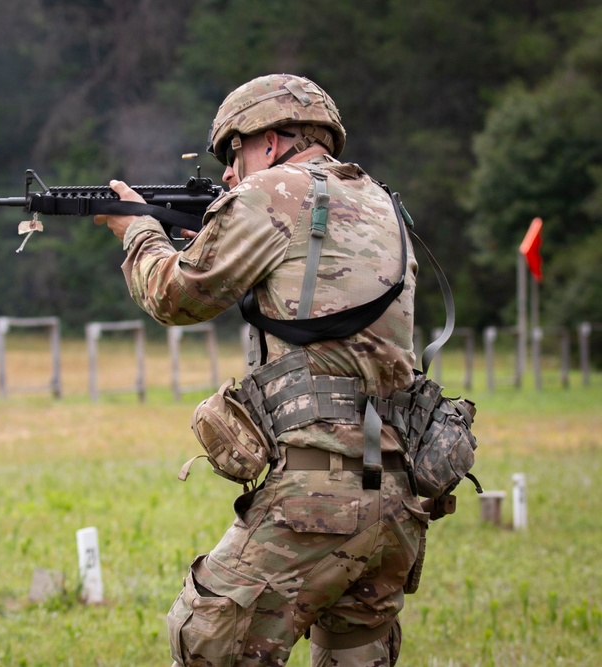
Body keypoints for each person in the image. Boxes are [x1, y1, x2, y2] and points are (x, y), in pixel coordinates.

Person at [95, 74, 429, 666]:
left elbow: (177, 296)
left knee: (206, 645)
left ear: (269, 142)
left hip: (317, 495)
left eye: (234, 153)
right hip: (398, 493)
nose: (228, 173)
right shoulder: (383, 202)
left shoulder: (270, 192)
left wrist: (139, 232)